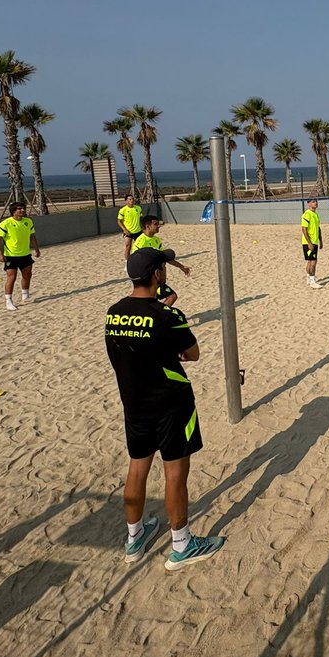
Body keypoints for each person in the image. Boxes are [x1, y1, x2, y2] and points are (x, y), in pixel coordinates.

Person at [106, 247, 225, 569]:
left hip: (134, 403)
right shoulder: (167, 315)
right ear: (157, 274)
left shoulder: (113, 312)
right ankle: (182, 544)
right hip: (172, 404)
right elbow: (194, 353)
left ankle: (134, 539)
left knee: (137, 467)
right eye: (163, 267)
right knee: (175, 473)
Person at [131, 215, 191, 306]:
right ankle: (159, 314)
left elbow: (165, 257)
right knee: (172, 296)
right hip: (150, 282)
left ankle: (158, 314)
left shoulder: (156, 240)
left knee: (166, 298)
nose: (158, 226)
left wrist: (181, 267)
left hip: (159, 280)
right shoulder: (140, 242)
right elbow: (136, 263)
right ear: (147, 226)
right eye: (155, 224)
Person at [0, 201, 40, 310]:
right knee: (12, 277)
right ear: (13, 211)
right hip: (11, 255)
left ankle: (25, 294)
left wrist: (36, 249)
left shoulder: (28, 221)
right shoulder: (5, 223)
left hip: (25, 254)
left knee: (27, 275)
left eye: (23, 208)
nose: (22, 210)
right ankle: (9, 301)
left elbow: (32, 236)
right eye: (19, 209)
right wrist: (0, 254)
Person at [302, 198, 324, 288]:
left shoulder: (316, 215)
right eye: (313, 202)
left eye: (316, 201)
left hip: (315, 241)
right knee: (313, 262)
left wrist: (321, 240)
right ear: (308, 204)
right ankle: (312, 281)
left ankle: (308, 277)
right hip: (308, 242)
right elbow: (304, 229)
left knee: (310, 261)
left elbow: (318, 228)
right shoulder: (307, 214)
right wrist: (309, 243)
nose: (315, 203)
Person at [117, 194, 143, 261]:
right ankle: (127, 262)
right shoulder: (123, 210)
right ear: (126, 201)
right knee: (128, 247)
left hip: (138, 231)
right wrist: (125, 230)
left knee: (140, 247)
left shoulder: (138, 208)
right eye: (130, 199)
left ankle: (139, 260)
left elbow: (141, 218)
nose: (132, 200)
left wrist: (145, 227)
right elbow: (119, 221)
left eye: (132, 199)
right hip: (128, 232)